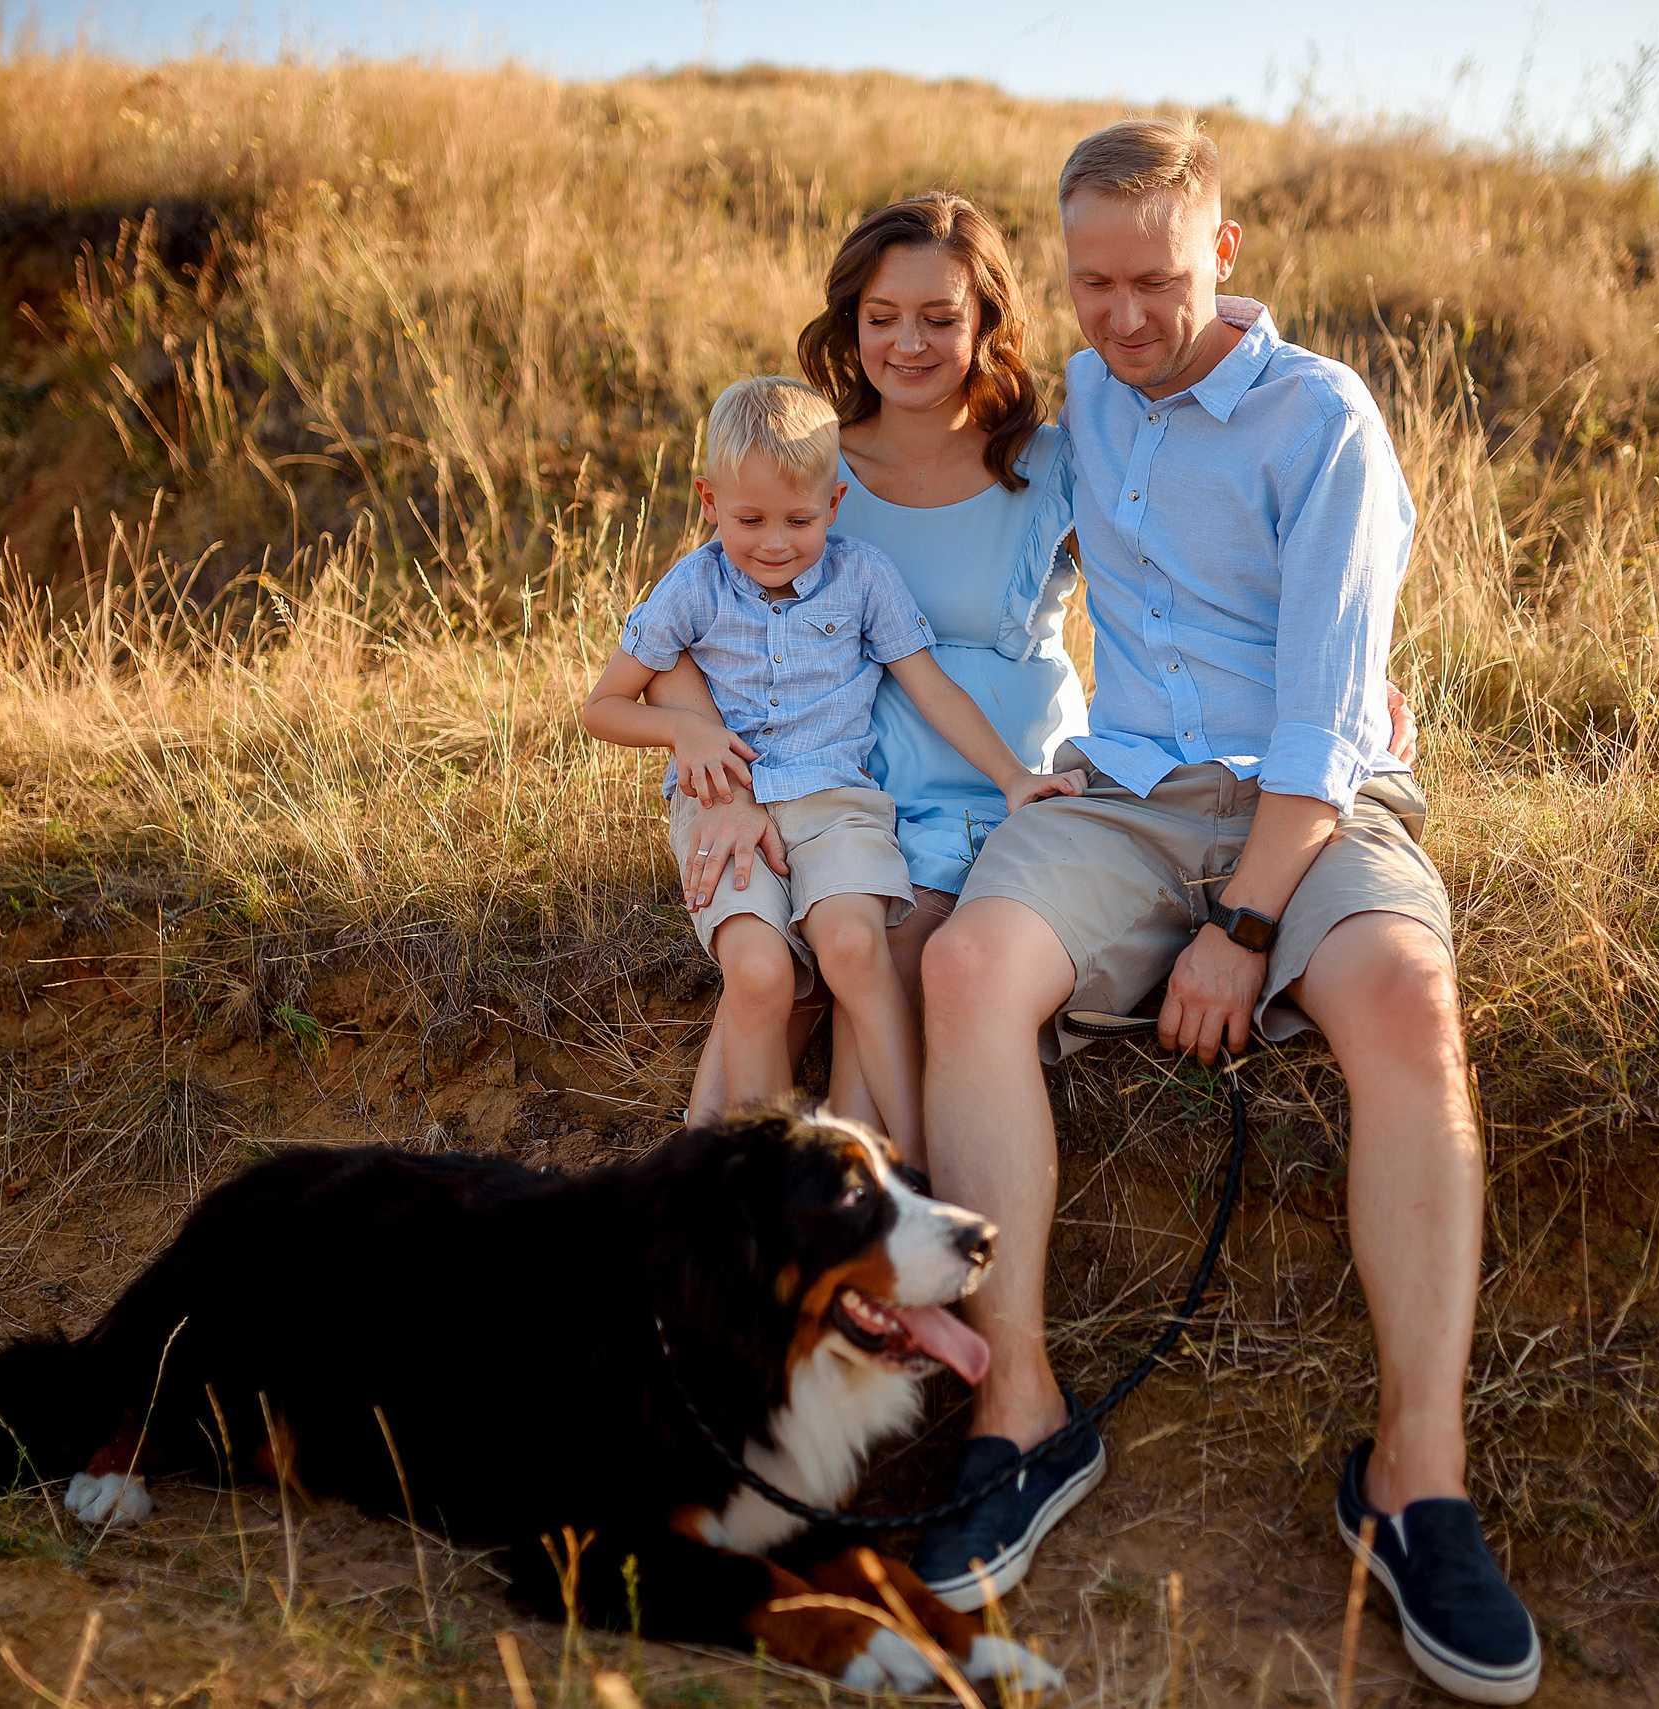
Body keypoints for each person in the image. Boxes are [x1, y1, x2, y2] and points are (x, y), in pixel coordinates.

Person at [908, 120, 1542, 1704]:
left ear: (1228, 258)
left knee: (1406, 999)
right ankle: (1024, 1416)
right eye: (1092, 283)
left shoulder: (1322, 420)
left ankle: (1417, 1479)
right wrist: (725, 728)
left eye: (1157, 281)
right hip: (1121, 793)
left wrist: (1245, 924)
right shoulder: (1079, 410)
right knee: (973, 963)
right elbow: (898, 488)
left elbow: (1331, 722)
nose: (1122, 317)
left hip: (1305, 808)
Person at [651, 193, 1092, 1159]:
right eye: (883, 316)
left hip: (996, 792)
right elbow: (690, 637)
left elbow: (1170, 600)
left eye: (942, 317)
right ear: (851, 323)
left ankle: (870, 1216)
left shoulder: (1049, 464)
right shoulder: (808, 467)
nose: (910, 343)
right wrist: (718, 777)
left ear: (987, 324)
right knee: (774, 984)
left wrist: (1329, 685)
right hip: (835, 787)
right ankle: (701, 1231)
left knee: (878, 962)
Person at [580, 375, 1080, 1159]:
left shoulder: (863, 577)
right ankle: (757, 1171)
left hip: (836, 801)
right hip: (721, 806)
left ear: (836, 505)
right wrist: (683, 730)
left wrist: (1015, 776)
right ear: (709, 501)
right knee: (758, 971)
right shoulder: (691, 587)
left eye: (799, 520)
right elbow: (602, 706)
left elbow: (931, 687)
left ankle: (909, 1157)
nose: (774, 542)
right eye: (750, 520)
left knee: (852, 947)